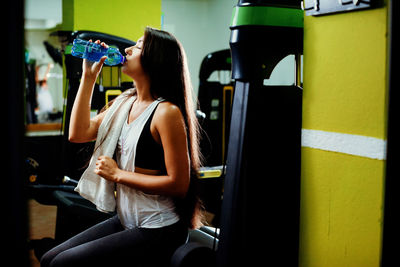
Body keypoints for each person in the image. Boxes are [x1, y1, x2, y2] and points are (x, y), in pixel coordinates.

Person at [41, 27, 203, 267]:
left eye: (137, 46)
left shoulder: (166, 113)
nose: (127, 49)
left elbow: (179, 184)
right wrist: (88, 78)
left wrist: (118, 174)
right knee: (49, 259)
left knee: (61, 264)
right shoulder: (125, 102)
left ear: (154, 60)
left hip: (159, 227)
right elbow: (78, 133)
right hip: (127, 219)